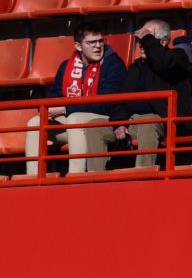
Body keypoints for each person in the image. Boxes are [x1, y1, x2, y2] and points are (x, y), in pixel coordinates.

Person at [35, 30, 131, 175]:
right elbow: (54, 95)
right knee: (35, 122)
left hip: (101, 118)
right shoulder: (66, 66)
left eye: (100, 41)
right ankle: (33, 177)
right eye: (92, 42)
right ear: (78, 46)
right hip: (75, 125)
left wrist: (65, 109)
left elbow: (107, 103)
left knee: (75, 118)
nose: (98, 46)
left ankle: (75, 175)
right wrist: (47, 108)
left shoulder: (113, 64)